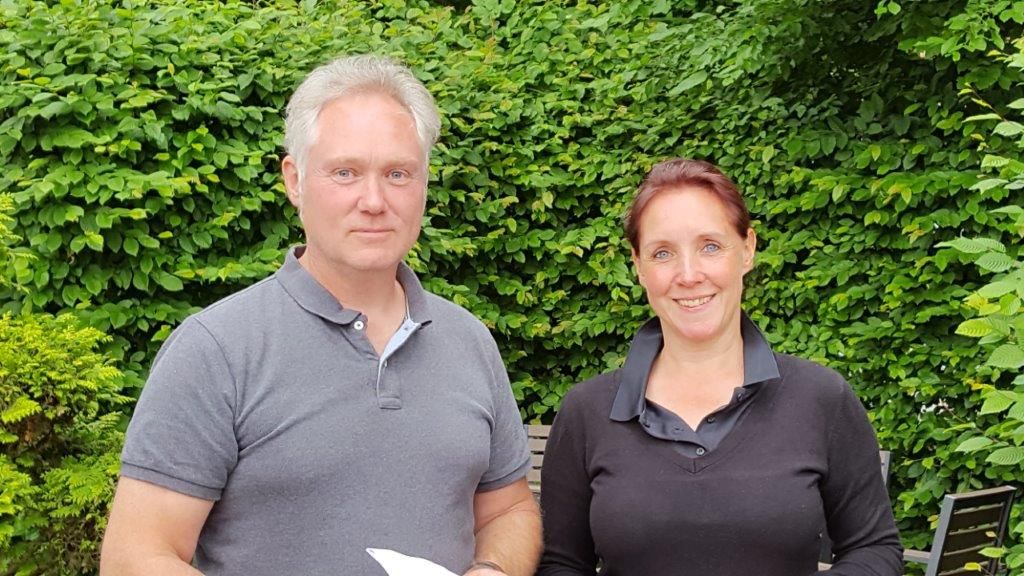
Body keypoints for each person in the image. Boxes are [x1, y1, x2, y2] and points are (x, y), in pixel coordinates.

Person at [99, 54, 541, 576]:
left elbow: (509, 511)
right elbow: (136, 556)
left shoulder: (468, 341)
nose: (373, 200)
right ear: (295, 180)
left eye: (397, 173)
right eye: (345, 172)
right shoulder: (216, 349)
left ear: (424, 182)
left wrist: (491, 569)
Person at [536, 158, 902, 575]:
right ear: (638, 267)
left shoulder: (820, 397)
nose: (689, 274)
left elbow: (874, 548)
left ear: (747, 249)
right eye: (662, 253)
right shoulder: (587, 412)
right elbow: (561, 563)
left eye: (710, 246)